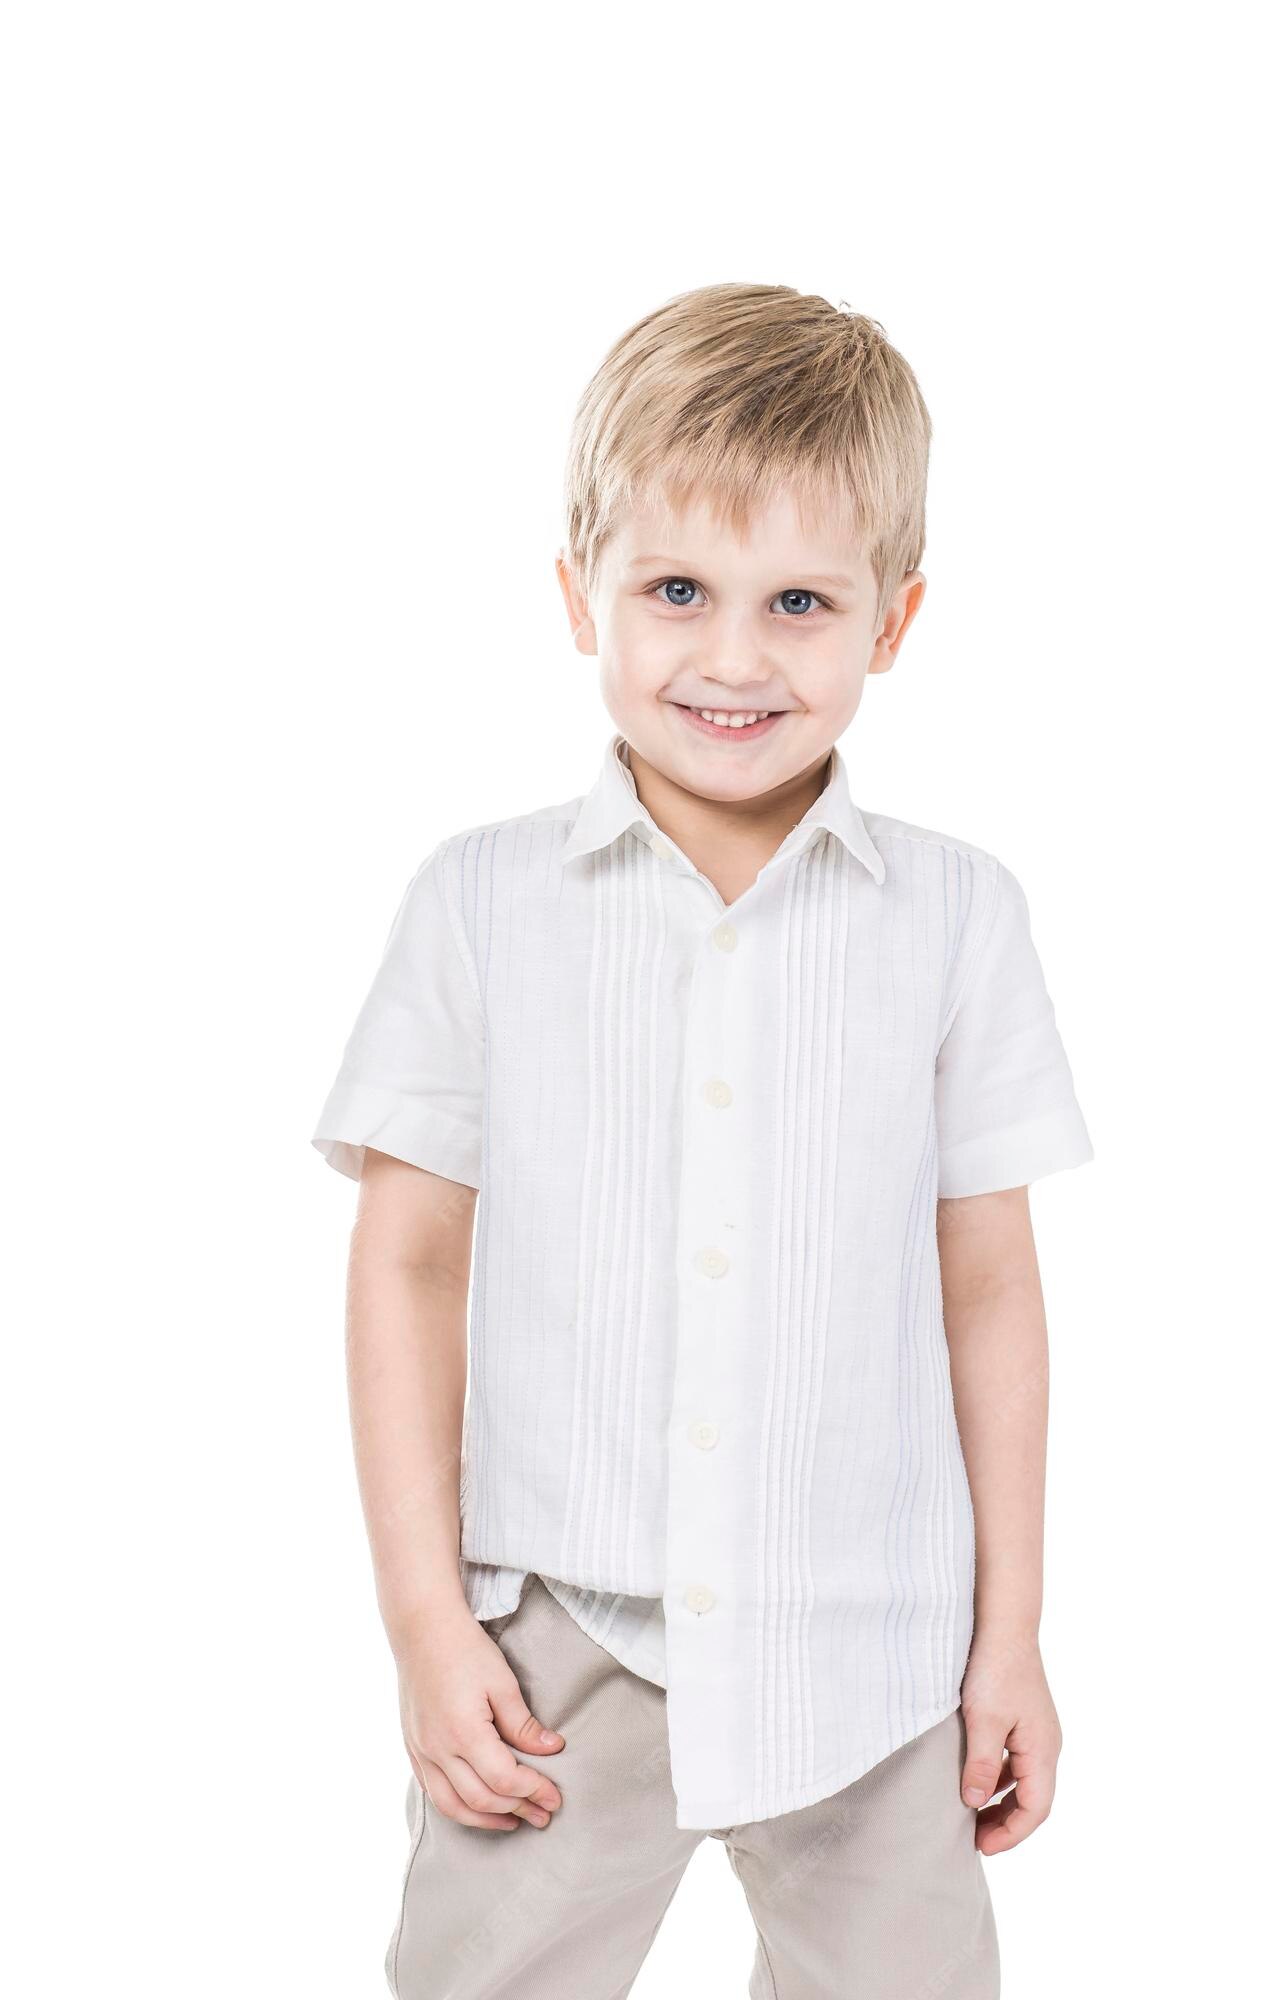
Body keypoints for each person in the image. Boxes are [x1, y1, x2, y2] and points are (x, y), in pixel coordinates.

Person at [311, 280, 1094, 1999]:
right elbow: (408, 1264)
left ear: (890, 623)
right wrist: (428, 1627)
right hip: (561, 1637)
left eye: (798, 602)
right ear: (578, 592)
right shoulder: (479, 904)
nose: (733, 658)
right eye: (677, 591)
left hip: (876, 1650)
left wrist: (1010, 1634)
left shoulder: (958, 919)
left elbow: (986, 1290)